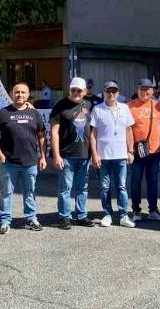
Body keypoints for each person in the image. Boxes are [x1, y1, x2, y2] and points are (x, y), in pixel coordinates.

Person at [0, 82, 47, 234]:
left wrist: (43, 157)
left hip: (30, 161)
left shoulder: (35, 114)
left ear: (28, 95)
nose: (20, 95)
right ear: (12, 94)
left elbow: (41, 136)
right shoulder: (3, 113)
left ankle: (31, 218)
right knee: (6, 192)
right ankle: (5, 220)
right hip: (8, 162)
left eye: (23, 92)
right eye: (17, 92)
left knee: (30, 191)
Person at [89, 80, 136, 228]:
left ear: (118, 93)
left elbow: (129, 131)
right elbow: (93, 134)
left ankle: (123, 215)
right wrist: (94, 154)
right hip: (103, 156)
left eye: (113, 91)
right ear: (104, 92)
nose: (111, 94)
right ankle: (107, 214)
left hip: (121, 155)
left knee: (121, 186)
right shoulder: (97, 109)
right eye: (108, 91)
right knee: (105, 187)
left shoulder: (124, 108)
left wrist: (130, 151)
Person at [50, 77, 95, 229]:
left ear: (85, 91)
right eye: (73, 90)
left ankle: (81, 215)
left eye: (79, 90)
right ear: (69, 90)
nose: (76, 92)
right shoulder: (60, 106)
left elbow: (91, 131)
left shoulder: (88, 105)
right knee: (65, 188)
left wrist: (94, 154)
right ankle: (64, 217)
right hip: (66, 155)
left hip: (84, 155)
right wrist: (56, 155)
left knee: (82, 188)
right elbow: (54, 132)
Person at [128, 78, 160, 222]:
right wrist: (130, 150)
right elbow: (126, 130)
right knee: (135, 181)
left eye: (147, 89)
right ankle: (136, 211)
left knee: (153, 181)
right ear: (137, 90)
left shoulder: (158, 106)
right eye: (142, 89)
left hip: (154, 151)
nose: (144, 91)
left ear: (152, 91)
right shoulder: (130, 106)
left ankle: (153, 210)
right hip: (137, 151)